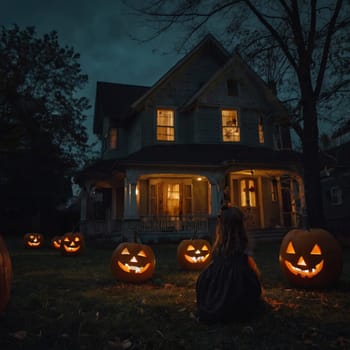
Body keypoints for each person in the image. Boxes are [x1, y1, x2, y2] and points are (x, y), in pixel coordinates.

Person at [196, 206, 262, 323]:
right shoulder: (242, 251)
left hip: (226, 287)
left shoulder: (218, 252)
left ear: (221, 229)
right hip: (237, 291)